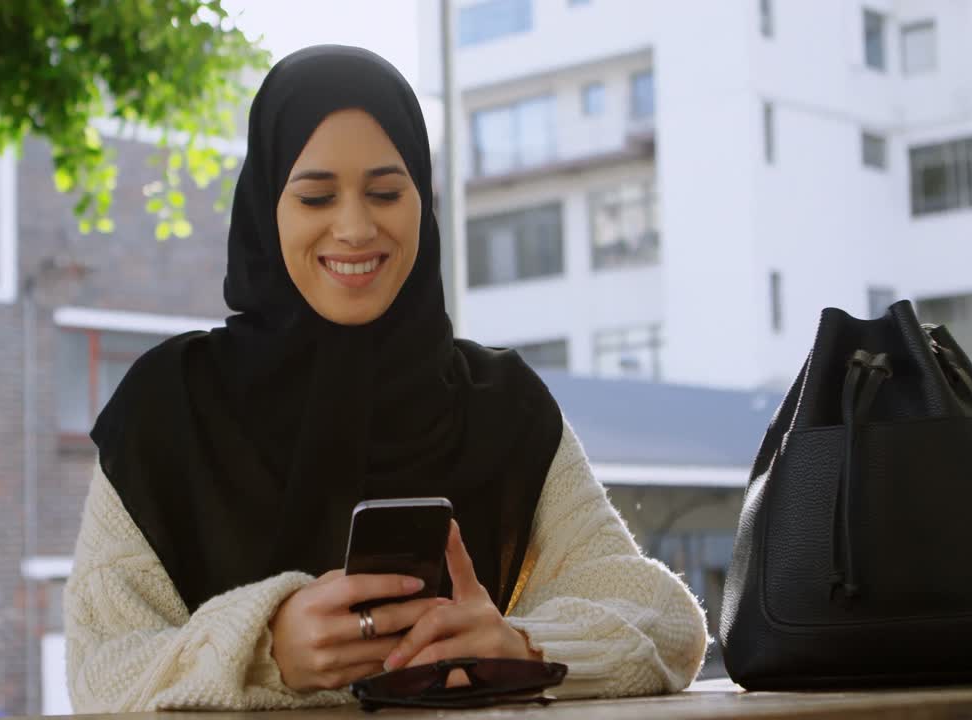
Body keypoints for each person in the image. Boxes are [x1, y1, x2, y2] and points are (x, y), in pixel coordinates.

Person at [64, 45, 707, 712]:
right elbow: (99, 672)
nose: (355, 227)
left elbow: (664, 621)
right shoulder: (168, 408)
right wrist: (265, 649)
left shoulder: (500, 404)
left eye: (385, 192)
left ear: (422, 202)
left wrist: (521, 647)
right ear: (264, 208)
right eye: (315, 195)